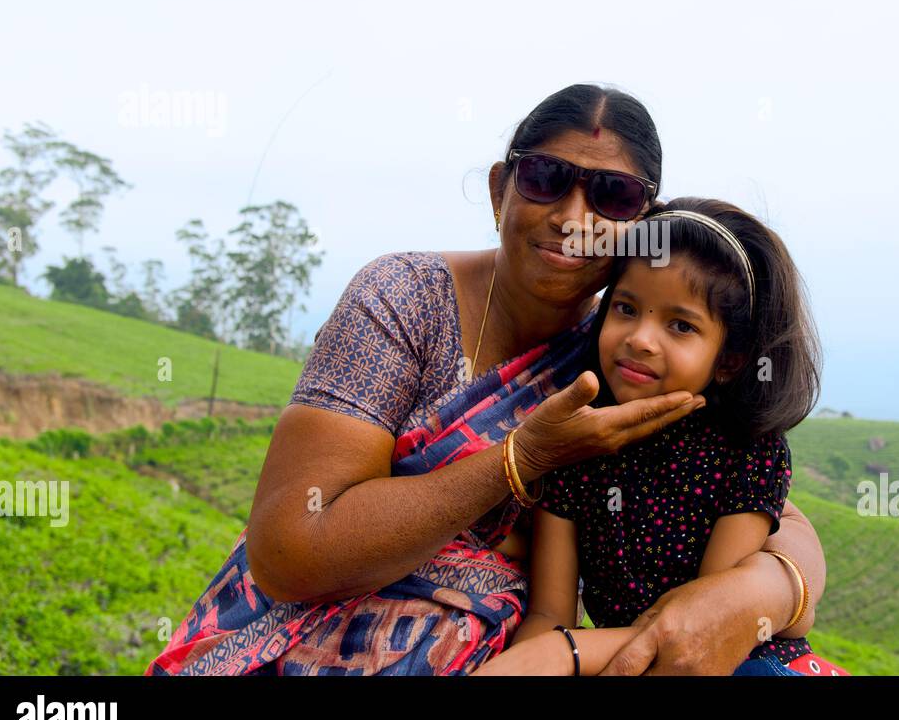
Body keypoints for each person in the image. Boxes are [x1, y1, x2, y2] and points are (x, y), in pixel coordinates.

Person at [144, 83, 827, 676]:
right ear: (502, 188)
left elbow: (765, 507)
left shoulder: (622, 363)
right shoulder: (404, 302)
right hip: (319, 642)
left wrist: (755, 594)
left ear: (642, 232)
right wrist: (520, 460)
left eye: (613, 196)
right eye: (545, 179)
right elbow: (291, 550)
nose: (573, 216)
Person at [471, 197, 845, 677]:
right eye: (626, 308)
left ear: (729, 359)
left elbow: (703, 624)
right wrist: (535, 655)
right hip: (621, 661)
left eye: (680, 325)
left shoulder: (746, 452)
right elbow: (550, 612)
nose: (641, 338)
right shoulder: (577, 444)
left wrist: (562, 653)